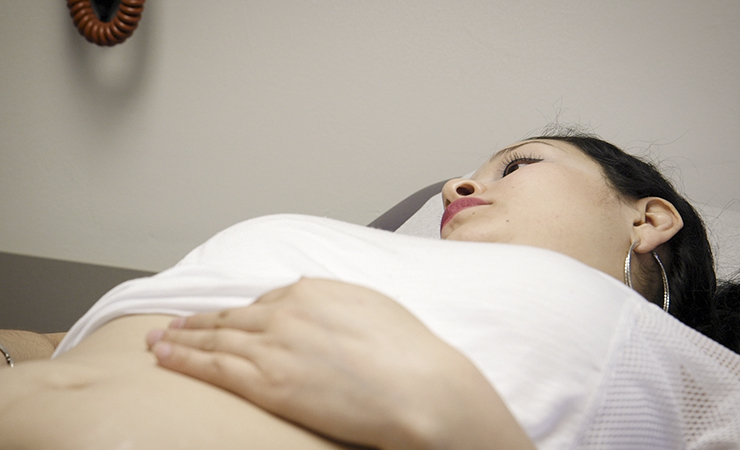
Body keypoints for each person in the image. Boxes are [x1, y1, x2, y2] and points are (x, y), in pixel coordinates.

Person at [1, 131, 738, 449]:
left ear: (648, 217)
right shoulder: (373, 254)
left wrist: (461, 421)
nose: (461, 184)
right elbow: (61, 345)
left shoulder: (680, 366)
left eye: (519, 165)